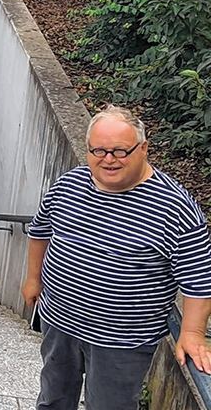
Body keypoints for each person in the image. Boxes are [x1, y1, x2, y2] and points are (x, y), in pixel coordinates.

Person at [22, 105, 211, 410]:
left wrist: (192, 333)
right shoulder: (68, 185)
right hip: (60, 322)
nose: (108, 159)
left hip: (121, 344)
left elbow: (199, 280)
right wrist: (33, 279)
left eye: (120, 151)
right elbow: (40, 231)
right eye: (98, 150)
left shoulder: (175, 208)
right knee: (52, 399)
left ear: (143, 148)